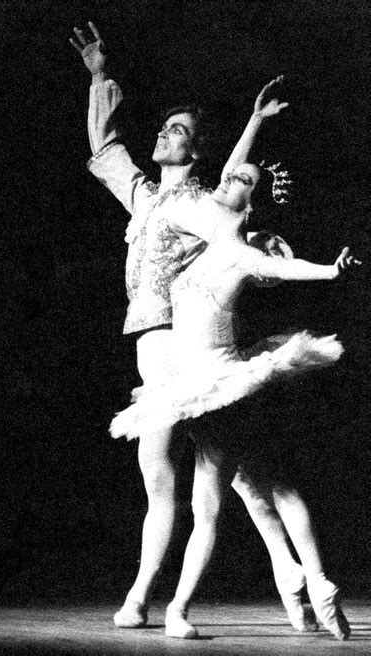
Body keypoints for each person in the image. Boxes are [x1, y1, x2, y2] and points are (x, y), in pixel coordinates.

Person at [69, 20, 318, 633]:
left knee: (218, 476)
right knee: (204, 476)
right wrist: (101, 77)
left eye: (177, 131)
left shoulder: (195, 205)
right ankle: (280, 570)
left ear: (197, 150)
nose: (164, 133)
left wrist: (254, 130)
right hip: (150, 345)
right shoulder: (148, 196)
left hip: (181, 347)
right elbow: (106, 152)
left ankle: (159, 597)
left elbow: (233, 220)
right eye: (165, 126)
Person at [111, 161, 360, 640]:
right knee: (257, 484)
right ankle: (296, 576)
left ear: (253, 204)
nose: (227, 182)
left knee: (216, 504)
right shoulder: (200, 246)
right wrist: (254, 122)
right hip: (187, 383)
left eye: (242, 182)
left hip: (222, 385)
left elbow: (288, 267)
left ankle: (181, 609)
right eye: (227, 178)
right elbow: (224, 178)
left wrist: (331, 270)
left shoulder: (244, 254)